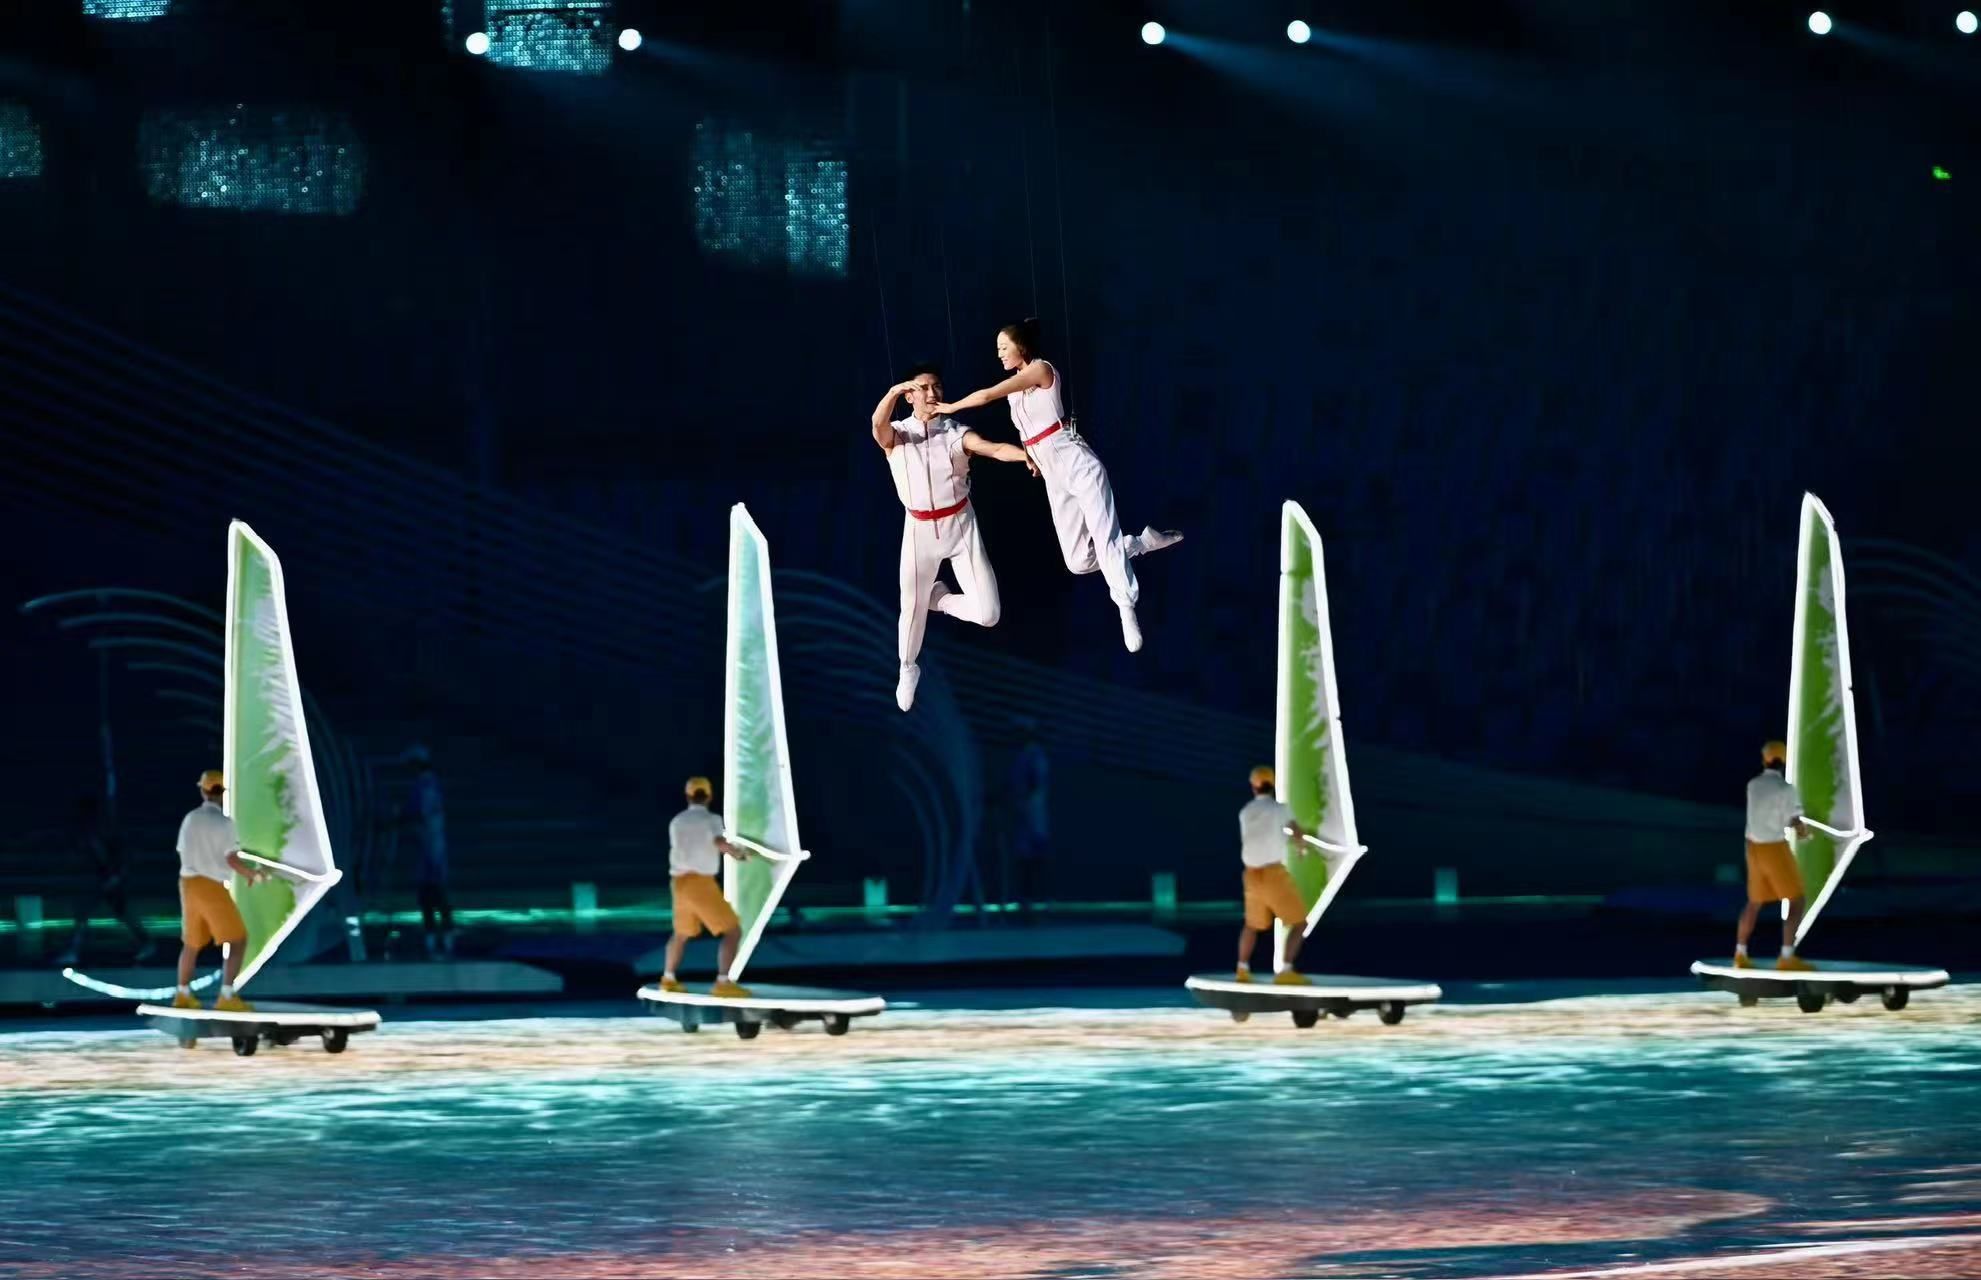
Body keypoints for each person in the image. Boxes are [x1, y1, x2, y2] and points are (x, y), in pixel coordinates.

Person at [933, 319, 1182, 653]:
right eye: (997, 349)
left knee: (1105, 538)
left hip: (1078, 464)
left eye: (1003, 347)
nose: (999, 354)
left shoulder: (1041, 370)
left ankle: (1126, 605)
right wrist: (1030, 456)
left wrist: (951, 407)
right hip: (1054, 476)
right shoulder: (1017, 389)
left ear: (1021, 346)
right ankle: (1141, 544)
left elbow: (988, 395)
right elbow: (1028, 431)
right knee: (1078, 561)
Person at [872, 362, 1037, 712]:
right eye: (923, 388)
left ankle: (942, 599)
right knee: (911, 608)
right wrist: (892, 392)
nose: (932, 393)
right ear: (909, 395)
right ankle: (907, 668)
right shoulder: (898, 433)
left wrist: (1026, 455)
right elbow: (877, 426)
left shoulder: (955, 432)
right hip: (918, 530)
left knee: (989, 613)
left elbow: (992, 448)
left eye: (937, 387)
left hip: (960, 525)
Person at [173, 770, 267, 1012]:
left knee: (191, 944)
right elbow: (231, 859)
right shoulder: (225, 824)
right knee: (238, 940)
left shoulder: (190, 818)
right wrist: (253, 874)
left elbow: (182, 851)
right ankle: (226, 996)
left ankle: (182, 995)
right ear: (222, 793)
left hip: (188, 884)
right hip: (210, 886)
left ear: (203, 791)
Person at [660, 776, 754, 997]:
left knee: (681, 934)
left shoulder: (677, 821)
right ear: (709, 796)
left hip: (678, 882)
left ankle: (668, 979)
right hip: (700, 883)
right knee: (733, 931)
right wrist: (739, 854)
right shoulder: (712, 819)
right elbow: (719, 842)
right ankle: (723, 983)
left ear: (688, 796)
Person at [1736, 739, 1815, 971]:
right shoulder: (1786, 789)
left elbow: (1767, 814)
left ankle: (1740, 954)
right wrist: (1805, 834)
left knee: (1754, 903)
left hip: (1753, 848)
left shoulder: (1753, 785)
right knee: (1797, 900)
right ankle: (1786, 957)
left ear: (1764, 760)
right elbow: (1794, 820)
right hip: (1774, 848)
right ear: (1784, 762)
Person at [1235, 765, 1314, 985]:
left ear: (1253, 787)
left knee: (1251, 925)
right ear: (1273, 785)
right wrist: (1302, 848)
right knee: (1299, 922)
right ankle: (1286, 971)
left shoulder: (1245, 812)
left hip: (1251, 875)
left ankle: (1242, 969)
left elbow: (1259, 835)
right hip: (1273, 874)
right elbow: (1296, 832)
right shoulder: (1280, 809)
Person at [56, 793, 155, 967]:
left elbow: (116, 856)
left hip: (108, 878)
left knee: (110, 912)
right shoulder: (97, 831)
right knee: (98, 912)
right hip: (106, 878)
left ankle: (146, 943)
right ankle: (146, 943)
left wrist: (115, 876)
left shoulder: (101, 832)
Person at [400, 745, 454, 959]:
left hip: (431, 846)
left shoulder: (425, 786)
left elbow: (418, 814)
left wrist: (394, 822)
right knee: (431, 893)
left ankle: (441, 936)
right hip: (428, 844)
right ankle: (438, 936)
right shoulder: (427, 785)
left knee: (434, 893)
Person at [1008, 719, 1050, 921]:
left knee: (1031, 861)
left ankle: (1030, 905)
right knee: (1025, 860)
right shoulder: (1024, 756)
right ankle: (1026, 905)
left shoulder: (1034, 755)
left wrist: (1023, 803)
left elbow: (1034, 783)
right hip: (1025, 816)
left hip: (1032, 817)